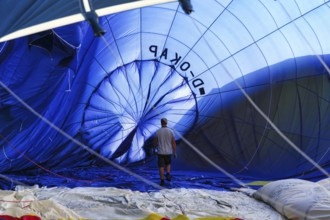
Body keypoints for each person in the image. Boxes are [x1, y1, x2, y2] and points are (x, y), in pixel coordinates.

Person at [154, 118, 177, 186]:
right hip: (168, 152)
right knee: (168, 164)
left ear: (161, 123)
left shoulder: (158, 131)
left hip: (160, 152)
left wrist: (154, 149)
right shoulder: (170, 131)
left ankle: (162, 180)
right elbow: (173, 143)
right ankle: (167, 173)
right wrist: (175, 152)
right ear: (166, 123)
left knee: (161, 167)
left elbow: (155, 142)